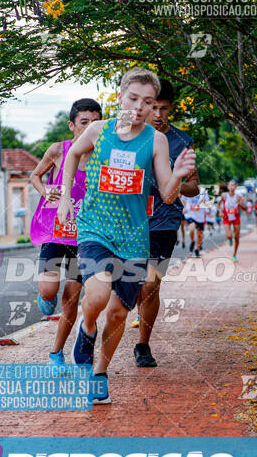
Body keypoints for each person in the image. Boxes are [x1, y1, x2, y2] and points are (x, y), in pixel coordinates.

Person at [57, 68, 196, 403]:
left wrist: (177, 175)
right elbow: (74, 154)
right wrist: (64, 196)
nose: (139, 106)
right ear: (119, 96)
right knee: (98, 295)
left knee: (119, 313)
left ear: (153, 107)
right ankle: (86, 329)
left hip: (134, 237)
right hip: (96, 229)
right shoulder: (97, 130)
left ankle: (99, 373)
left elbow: (166, 194)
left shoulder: (156, 140)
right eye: (133, 98)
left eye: (147, 102)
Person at [131, 79, 200, 367]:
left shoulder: (182, 142)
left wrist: (172, 182)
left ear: (171, 109)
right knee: (132, 284)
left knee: (151, 284)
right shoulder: (128, 135)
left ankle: (143, 345)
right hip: (129, 221)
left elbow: (194, 186)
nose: (157, 114)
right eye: (152, 107)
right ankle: (138, 310)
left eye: (163, 108)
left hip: (164, 223)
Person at [29, 99, 102, 365]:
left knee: (71, 299)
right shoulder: (58, 150)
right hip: (54, 231)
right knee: (50, 292)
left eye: (96, 122)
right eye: (84, 122)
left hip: (85, 238)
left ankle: (56, 352)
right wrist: (46, 190)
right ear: (72, 125)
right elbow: (35, 176)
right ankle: (44, 297)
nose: (90, 127)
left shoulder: (103, 156)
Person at [219, 180, 247, 262]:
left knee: (237, 237)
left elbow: (245, 208)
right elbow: (218, 204)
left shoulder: (239, 197)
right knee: (229, 236)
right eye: (230, 185)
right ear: (228, 187)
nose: (231, 187)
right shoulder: (224, 196)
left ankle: (234, 255)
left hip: (236, 218)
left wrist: (240, 204)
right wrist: (220, 211)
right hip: (226, 217)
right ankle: (229, 238)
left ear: (236, 187)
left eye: (233, 185)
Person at [181, 187, 209, 257]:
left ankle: (197, 249)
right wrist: (184, 208)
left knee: (200, 234)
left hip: (200, 215)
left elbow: (207, 202)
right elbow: (183, 199)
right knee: (191, 228)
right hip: (190, 214)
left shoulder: (203, 191)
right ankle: (193, 241)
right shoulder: (187, 189)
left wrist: (206, 208)